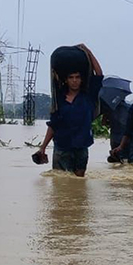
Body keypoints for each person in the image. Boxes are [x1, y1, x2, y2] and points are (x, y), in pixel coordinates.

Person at [37, 45, 103, 177]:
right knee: (60, 183)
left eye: (77, 77)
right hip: (61, 147)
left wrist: (88, 52)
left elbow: (99, 74)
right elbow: (53, 125)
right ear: (66, 80)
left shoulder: (89, 97)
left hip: (81, 147)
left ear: (81, 79)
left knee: (78, 184)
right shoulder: (59, 100)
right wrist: (43, 147)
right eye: (71, 78)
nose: (74, 81)